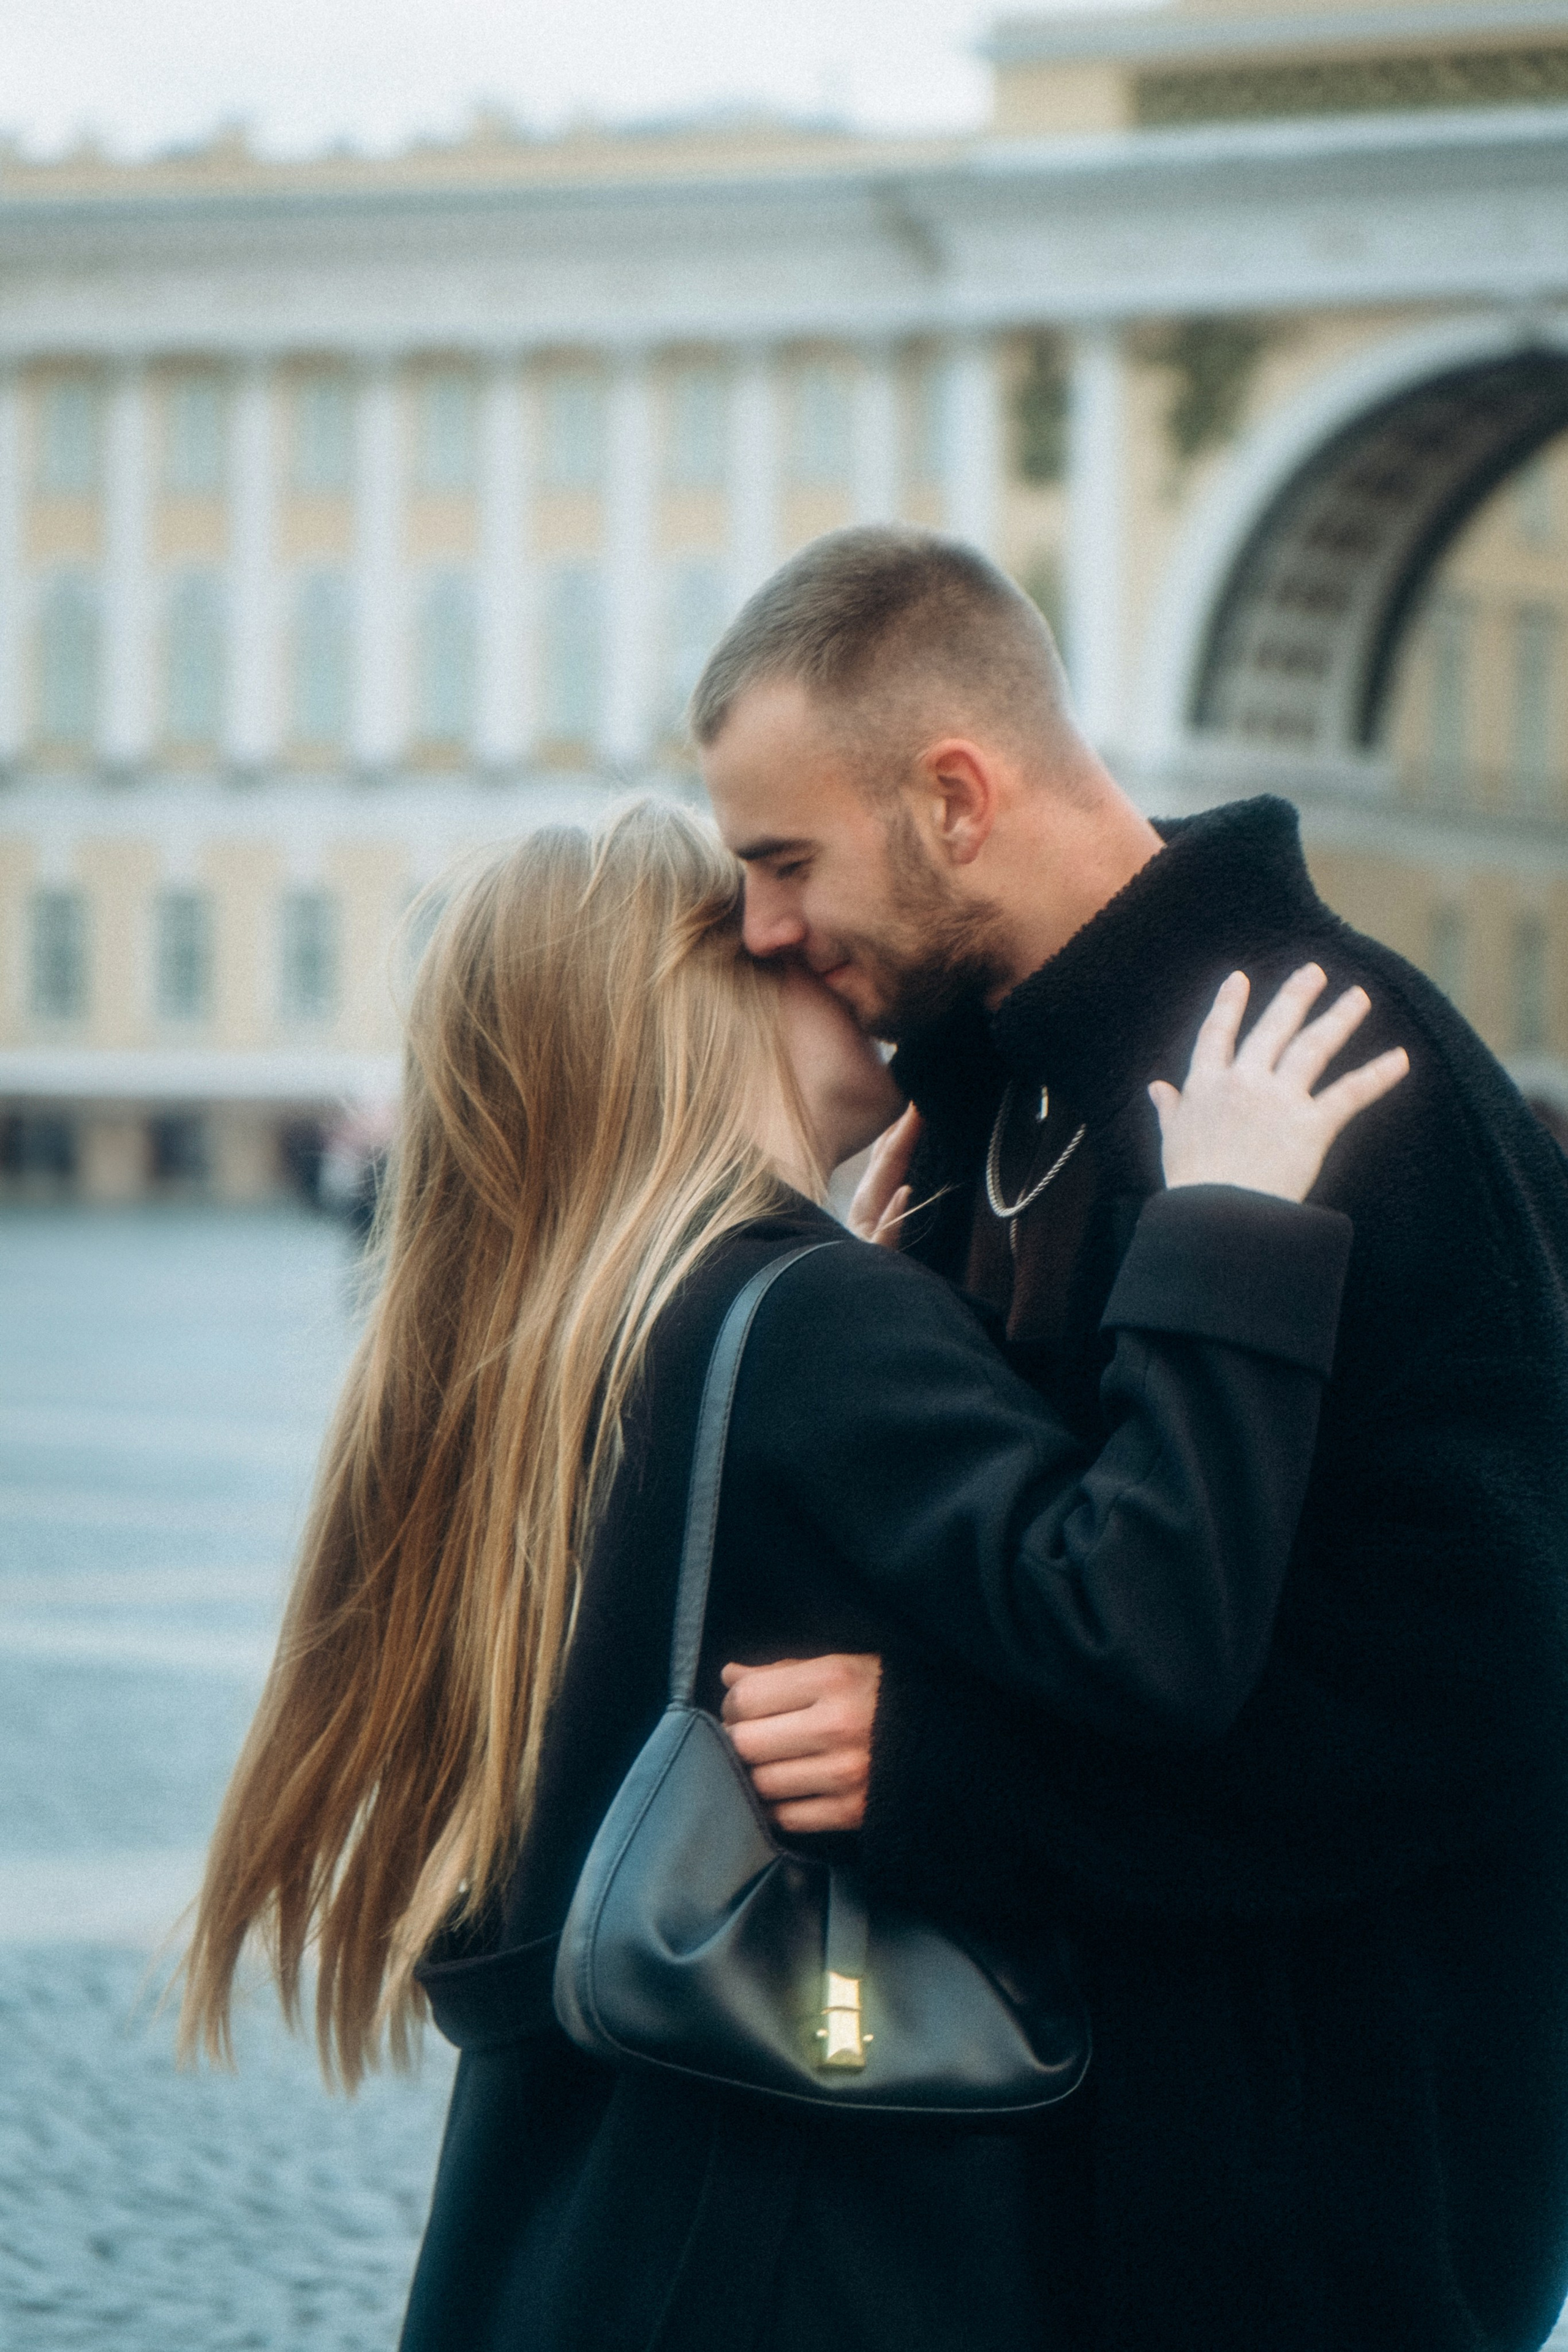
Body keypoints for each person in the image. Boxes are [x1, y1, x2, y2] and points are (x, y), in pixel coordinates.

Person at [178, 800, 1403, 2352]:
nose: (842, 962)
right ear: (698, 997)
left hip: (570, 2221)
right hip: (809, 2223)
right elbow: (1145, 1624)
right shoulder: (809, 1320)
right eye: (783, 939)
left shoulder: (568, 1335)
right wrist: (1227, 1228)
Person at [693, 525, 1568, 2352]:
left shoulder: (1339, 1067)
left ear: (951, 797)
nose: (765, 927)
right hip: (1060, 2153)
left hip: (1333, 2190)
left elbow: (1475, 1670)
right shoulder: (985, 1102)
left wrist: (960, 1773)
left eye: (786, 862)